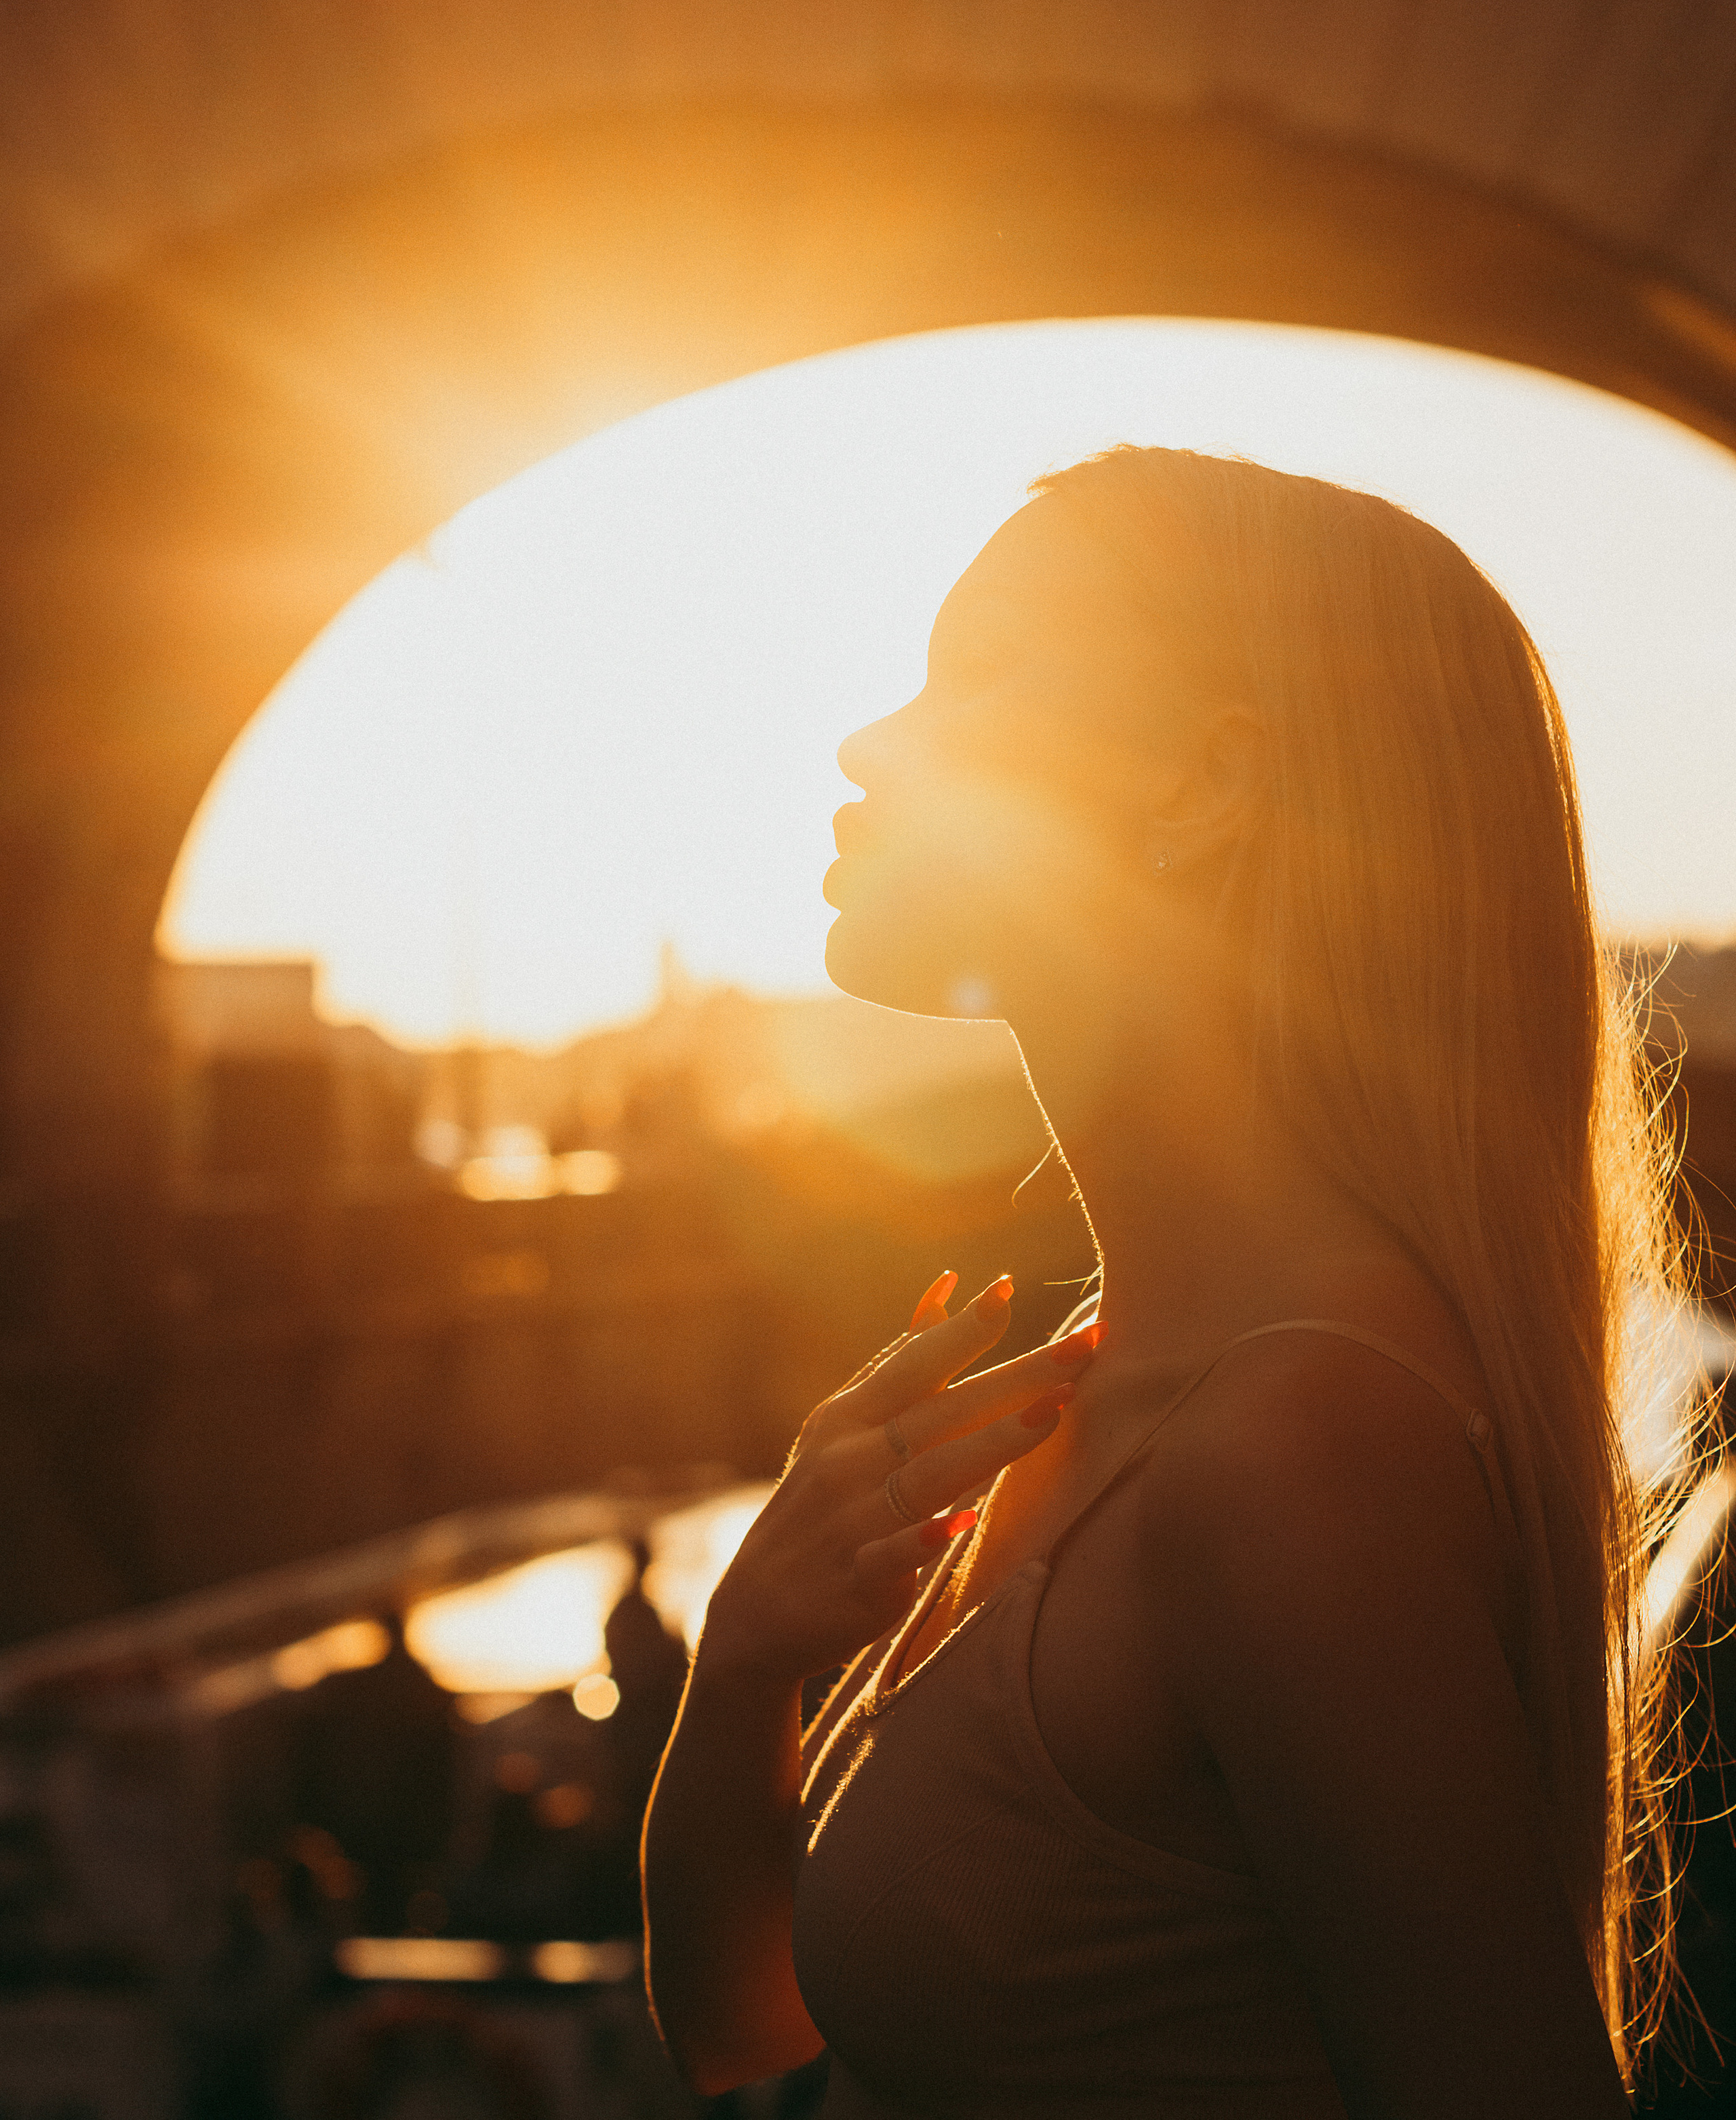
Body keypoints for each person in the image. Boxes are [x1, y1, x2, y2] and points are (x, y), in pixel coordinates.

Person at [642, 446, 1696, 2117]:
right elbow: (744, 2021)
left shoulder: (1294, 1452)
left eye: (977, 676)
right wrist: (748, 1657)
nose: (867, 743)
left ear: (1202, 788)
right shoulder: (1119, 1367)